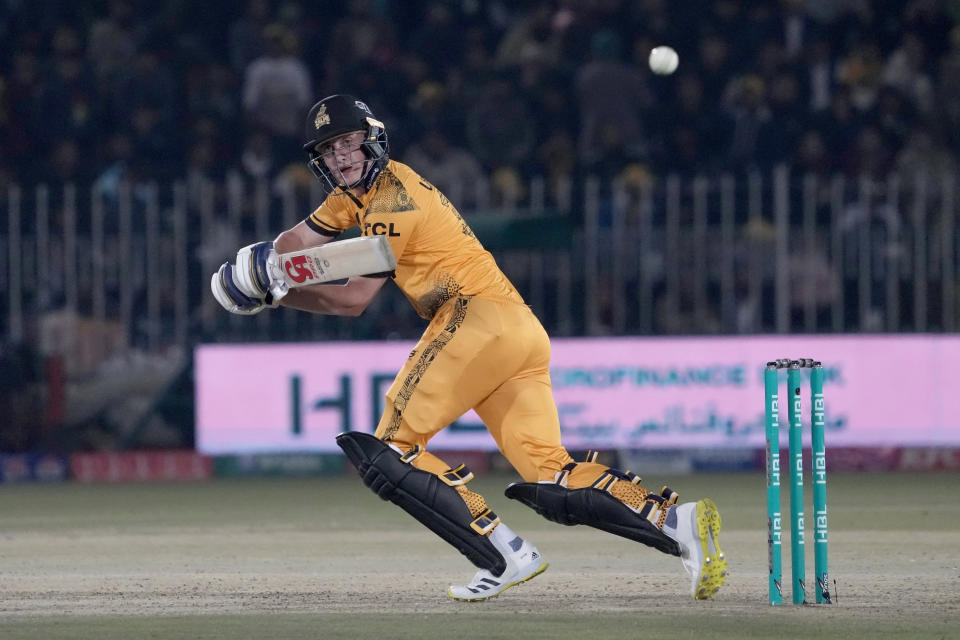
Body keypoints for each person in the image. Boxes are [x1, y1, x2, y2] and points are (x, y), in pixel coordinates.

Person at [210, 94, 727, 601]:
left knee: (391, 451)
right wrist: (258, 267)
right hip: (516, 329)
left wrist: (277, 292)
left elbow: (354, 301)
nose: (339, 156)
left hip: (471, 316)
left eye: (348, 143)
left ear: (372, 141)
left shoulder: (393, 200)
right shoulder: (352, 198)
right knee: (552, 473)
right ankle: (676, 522)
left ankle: (502, 553)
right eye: (328, 149)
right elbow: (294, 244)